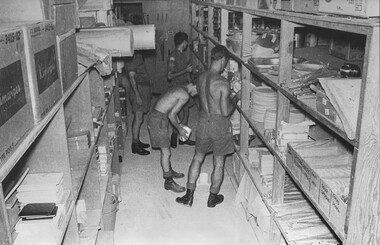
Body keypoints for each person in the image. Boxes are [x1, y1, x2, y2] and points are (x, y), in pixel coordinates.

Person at [176, 45, 240, 208]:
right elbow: (225, 112)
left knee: (198, 158)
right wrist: (236, 97)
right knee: (219, 161)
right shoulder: (222, 83)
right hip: (219, 125)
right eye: (226, 62)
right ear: (224, 60)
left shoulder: (201, 77)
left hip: (203, 122)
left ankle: (189, 196)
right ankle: (212, 198)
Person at [147, 84, 198, 193]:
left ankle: (168, 171)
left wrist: (179, 124)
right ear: (195, 86)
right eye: (198, 91)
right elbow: (171, 115)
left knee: (166, 148)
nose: (196, 95)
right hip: (158, 119)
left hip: (158, 116)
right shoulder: (185, 95)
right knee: (166, 152)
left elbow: (171, 110)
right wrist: (179, 129)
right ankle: (168, 182)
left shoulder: (180, 88)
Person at [167, 31, 195, 148]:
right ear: (184, 42)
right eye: (186, 41)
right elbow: (169, 75)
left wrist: (191, 83)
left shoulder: (183, 54)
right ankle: (176, 134)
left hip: (185, 86)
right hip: (177, 86)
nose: (187, 44)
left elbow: (187, 71)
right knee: (177, 112)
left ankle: (183, 136)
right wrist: (186, 71)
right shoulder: (173, 56)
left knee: (186, 111)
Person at [126, 50, 152, 156]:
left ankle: (137, 141)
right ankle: (135, 145)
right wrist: (137, 95)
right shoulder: (132, 57)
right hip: (138, 89)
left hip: (143, 88)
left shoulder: (138, 55)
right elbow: (132, 77)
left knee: (140, 118)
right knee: (138, 118)